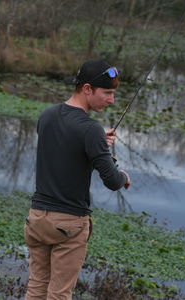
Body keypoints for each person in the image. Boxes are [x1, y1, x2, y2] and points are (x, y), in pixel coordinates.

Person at [24, 59, 131, 300]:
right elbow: (113, 181)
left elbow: (65, 146)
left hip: (37, 219)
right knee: (60, 294)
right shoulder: (90, 129)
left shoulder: (48, 115)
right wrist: (123, 175)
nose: (112, 100)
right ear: (86, 89)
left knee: (36, 288)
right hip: (68, 223)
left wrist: (97, 143)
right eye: (107, 92)